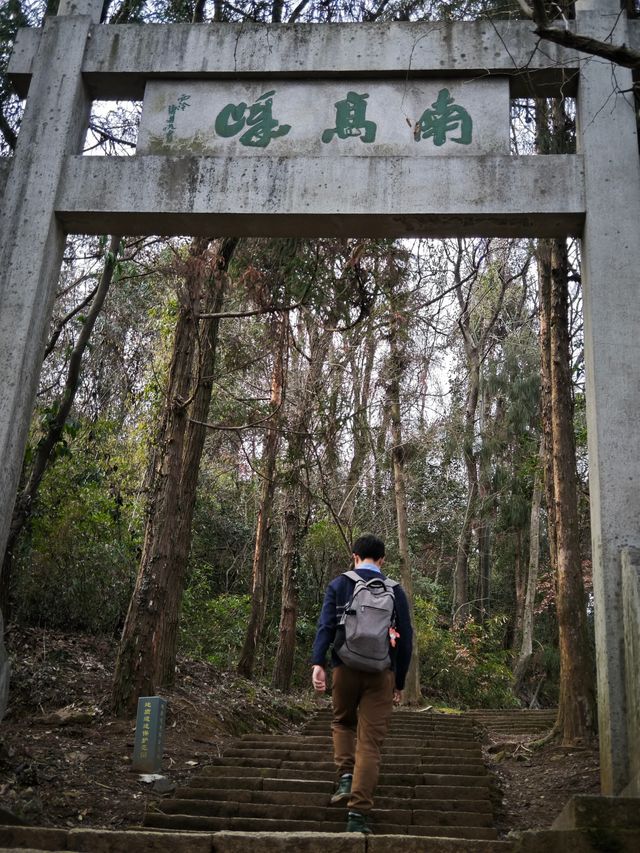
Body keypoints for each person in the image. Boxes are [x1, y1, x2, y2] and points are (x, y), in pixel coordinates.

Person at [310, 534, 413, 835]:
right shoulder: (395, 590)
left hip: (345, 667)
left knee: (343, 722)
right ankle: (357, 816)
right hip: (381, 673)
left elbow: (326, 626)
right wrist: (399, 681)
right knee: (370, 743)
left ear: (354, 556)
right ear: (382, 560)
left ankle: (345, 776)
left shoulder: (340, 584)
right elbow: (405, 640)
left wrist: (318, 663)